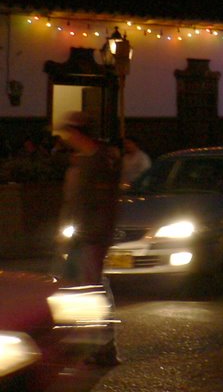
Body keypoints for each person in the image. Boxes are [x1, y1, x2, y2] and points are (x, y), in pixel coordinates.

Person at [54, 111, 121, 365]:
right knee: (77, 286)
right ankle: (86, 340)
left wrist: (96, 235)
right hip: (80, 235)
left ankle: (104, 345)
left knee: (93, 288)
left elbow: (104, 204)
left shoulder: (100, 161)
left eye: (69, 132)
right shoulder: (81, 161)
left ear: (78, 132)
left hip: (92, 236)